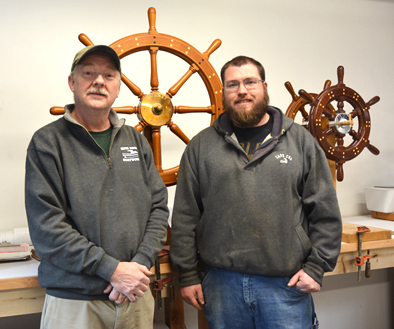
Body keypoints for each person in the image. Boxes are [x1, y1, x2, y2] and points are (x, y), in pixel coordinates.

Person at [170, 55, 342, 329]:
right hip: (221, 285)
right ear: (223, 92)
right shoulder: (201, 147)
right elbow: (184, 217)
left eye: (250, 82)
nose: (242, 90)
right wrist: (188, 274)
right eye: (232, 84)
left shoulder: (301, 142)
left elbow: (325, 213)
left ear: (263, 86)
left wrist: (316, 267)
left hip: (285, 285)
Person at [25, 45, 169, 329]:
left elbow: (158, 208)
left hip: (135, 296)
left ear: (117, 89)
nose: (99, 81)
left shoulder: (136, 141)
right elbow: (47, 228)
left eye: (109, 75)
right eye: (88, 73)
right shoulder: (47, 143)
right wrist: (112, 270)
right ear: (72, 82)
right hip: (75, 302)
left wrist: (138, 266)